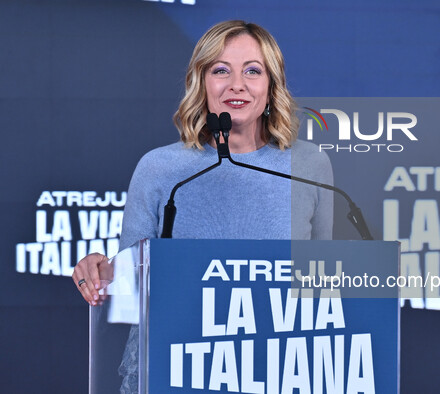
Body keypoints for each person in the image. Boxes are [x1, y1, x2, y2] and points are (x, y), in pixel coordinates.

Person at [72, 20, 333, 392]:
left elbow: (323, 285)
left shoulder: (310, 165)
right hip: (179, 370)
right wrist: (101, 269)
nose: (237, 85)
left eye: (253, 71)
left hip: (279, 370)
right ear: (202, 82)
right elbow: (133, 278)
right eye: (221, 70)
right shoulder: (160, 168)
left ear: (272, 85)